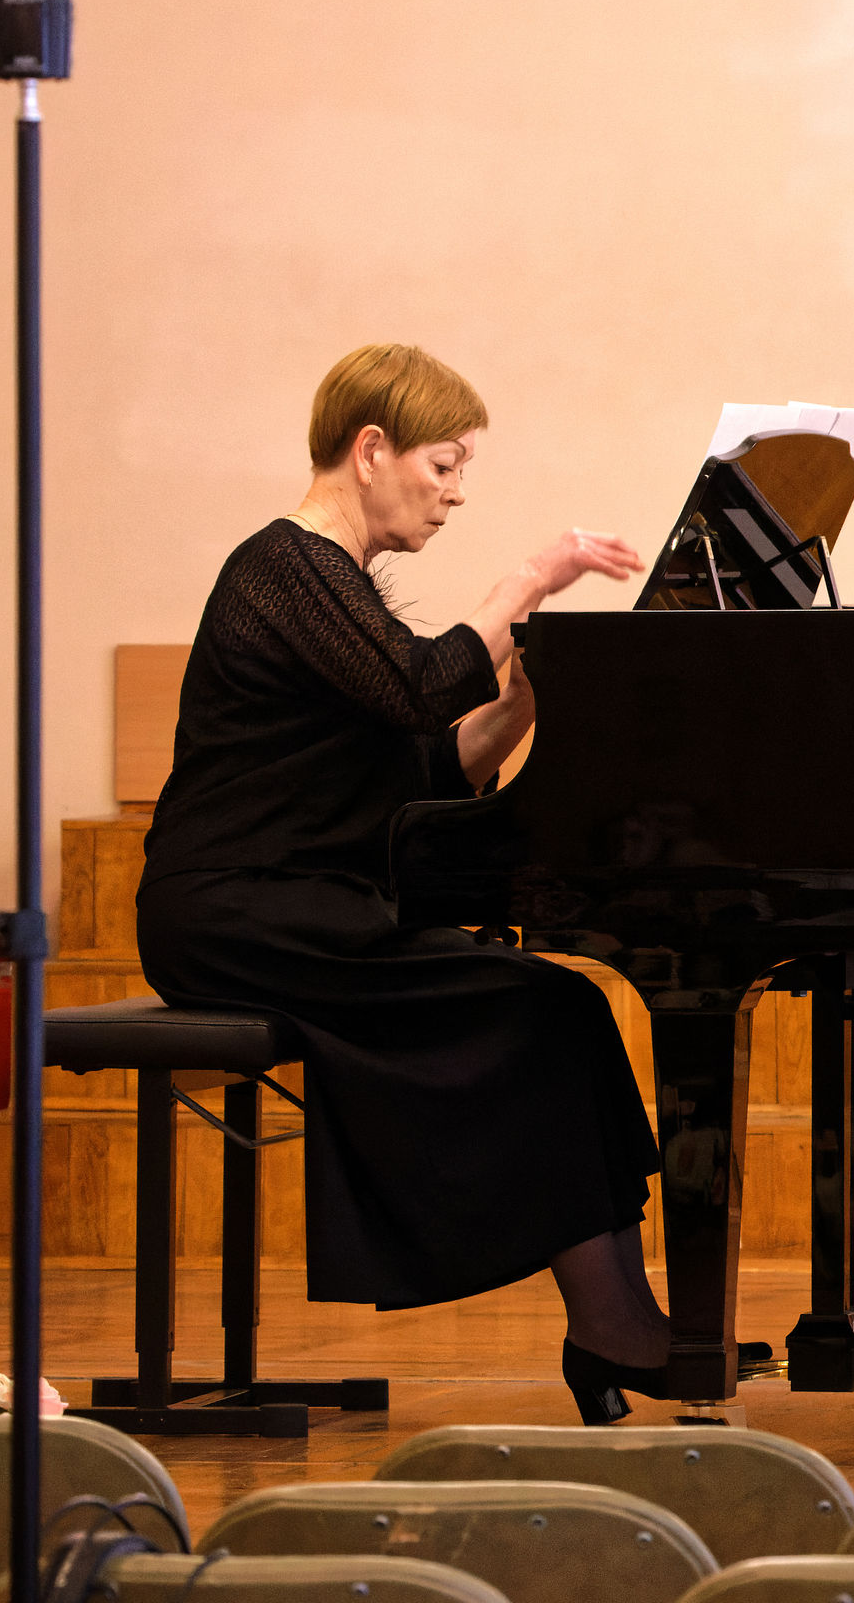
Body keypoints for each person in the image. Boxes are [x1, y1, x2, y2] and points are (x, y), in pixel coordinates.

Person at [137, 343, 696, 1422]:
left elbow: (434, 766)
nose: (454, 493)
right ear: (371, 449)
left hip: (301, 905)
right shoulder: (285, 565)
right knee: (542, 1009)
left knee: (566, 1008)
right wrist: (526, 582)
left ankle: (620, 1317)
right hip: (236, 911)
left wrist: (529, 693)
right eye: (444, 466)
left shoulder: (333, 586)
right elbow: (422, 686)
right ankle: (613, 1324)